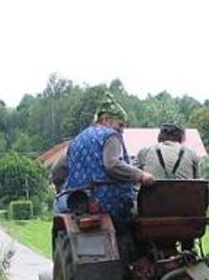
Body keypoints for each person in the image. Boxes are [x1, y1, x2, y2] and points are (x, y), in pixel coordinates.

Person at [55, 94, 155, 233]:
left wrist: (61, 191)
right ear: (106, 119)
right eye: (120, 124)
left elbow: (57, 171)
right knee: (142, 221)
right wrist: (141, 175)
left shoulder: (77, 139)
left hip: (79, 204)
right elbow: (112, 164)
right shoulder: (110, 135)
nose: (122, 130)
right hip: (109, 202)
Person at [136, 122, 203, 180]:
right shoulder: (191, 154)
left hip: (152, 194)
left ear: (159, 137)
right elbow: (198, 181)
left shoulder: (145, 152)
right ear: (181, 138)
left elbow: (133, 176)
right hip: (183, 194)